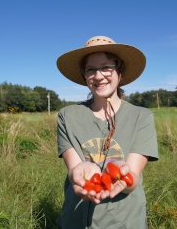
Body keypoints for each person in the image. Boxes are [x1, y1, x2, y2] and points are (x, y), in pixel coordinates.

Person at [56, 36, 159, 229]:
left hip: (125, 222)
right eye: (91, 69)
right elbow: (74, 168)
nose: (99, 75)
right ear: (84, 75)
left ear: (120, 72)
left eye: (106, 67)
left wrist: (121, 176)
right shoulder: (67, 116)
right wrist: (78, 175)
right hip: (76, 220)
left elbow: (132, 177)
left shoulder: (141, 117)